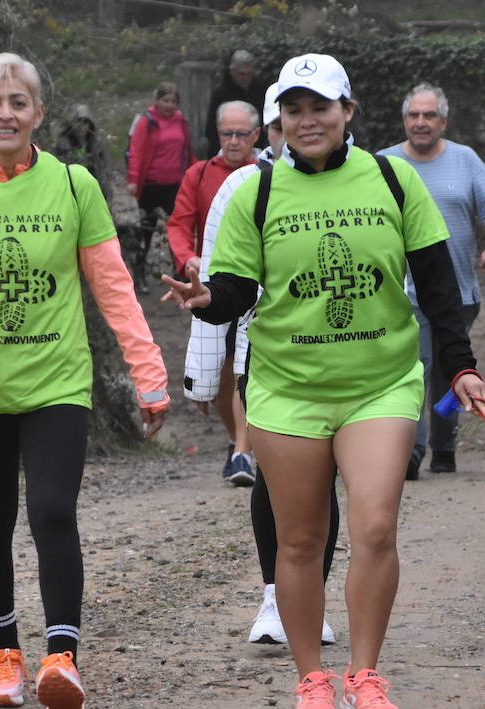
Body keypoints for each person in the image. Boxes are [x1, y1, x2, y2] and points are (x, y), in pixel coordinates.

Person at [162, 54, 485, 709]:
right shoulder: (260, 192)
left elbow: (437, 287)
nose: (307, 121)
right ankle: (311, 679)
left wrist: (459, 367)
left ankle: (365, 677)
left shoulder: (393, 180)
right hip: (286, 390)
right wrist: (204, 300)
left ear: (348, 112)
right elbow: (236, 293)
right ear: (278, 120)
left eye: (320, 107)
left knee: (373, 526)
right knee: (301, 539)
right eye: (294, 110)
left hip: (379, 384)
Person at [0, 52, 172, 709]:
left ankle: (60, 658)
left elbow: (113, 289)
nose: (5, 114)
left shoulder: (73, 187)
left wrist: (149, 374)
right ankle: (4, 656)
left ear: (38, 115)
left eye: (18, 102)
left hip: (57, 380)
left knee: (53, 511)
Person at [188, 83, 338, 647]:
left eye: (309, 114)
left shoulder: (363, 181)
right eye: (282, 122)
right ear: (269, 132)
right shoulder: (242, 187)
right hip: (265, 357)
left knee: (322, 485)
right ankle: (276, 595)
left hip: (343, 356)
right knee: (275, 478)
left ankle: (312, 598)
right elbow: (217, 280)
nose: (292, 133)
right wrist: (203, 371)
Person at [377, 83, 485, 478]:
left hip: (459, 290)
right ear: (404, 120)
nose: (421, 122)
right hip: (404, 293)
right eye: (414, 115)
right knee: (414, 368)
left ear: (443, 122)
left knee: (447, 369)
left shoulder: (464, 159)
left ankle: (444, 447)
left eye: (429, 115)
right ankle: (412, 453)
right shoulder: (382, 163)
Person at [169, 100, 261, 486]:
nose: (235, 140)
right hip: (212, 285)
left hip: (257, 284)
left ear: (257, 135)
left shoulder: (269, 174)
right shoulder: (200, 173)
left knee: (249, 364)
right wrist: (189, 259)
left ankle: (246, 448)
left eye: (242, 133)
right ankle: (235, 441)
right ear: (217, 135)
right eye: (227, 133)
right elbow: (179, 224)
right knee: (224, 369)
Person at [126, 82, 194, 293]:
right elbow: (136, 151)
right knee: (146, 231)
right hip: (150, 185)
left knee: (178, 229)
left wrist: (194, 172)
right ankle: (139, 275)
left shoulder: (180, 121)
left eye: (173, 101)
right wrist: (133, 179)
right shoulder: (147, 122)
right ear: (157, 100)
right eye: (165, 101)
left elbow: (187, 149)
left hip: (175, 184)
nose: (169, 105)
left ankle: (180, 273)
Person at [203, 49, 269, 157]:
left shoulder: (260, 90)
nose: (246, 78)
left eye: (249, 74)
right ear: (232, 72)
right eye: (242, 74)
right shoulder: (221, 94)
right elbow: (211, 129)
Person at [53, 103, 111, 201]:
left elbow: (103, 169)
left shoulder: (96, 143)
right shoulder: (63, 143)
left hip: (94, 189)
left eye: (85, 122)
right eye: (78, 122)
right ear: (72, 123)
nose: (82, 126)